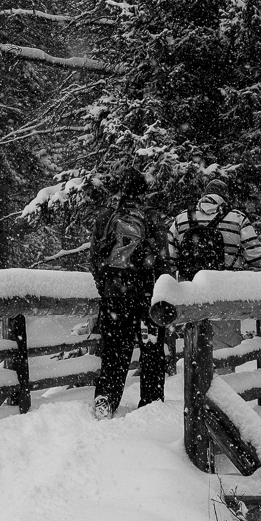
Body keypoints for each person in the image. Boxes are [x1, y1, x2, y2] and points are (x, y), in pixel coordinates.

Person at [88, 167, 172, 420]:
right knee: (152, 350)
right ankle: (151, 403)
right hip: (146, 294)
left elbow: (93, 259)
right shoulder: (152, 217)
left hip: (115, 294)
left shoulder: (106, 217)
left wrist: (106, 287)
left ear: (121, 190)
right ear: (144, 191)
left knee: (114, 350)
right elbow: (164, 260)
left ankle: (106, 399)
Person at [167, 178, 261, 280]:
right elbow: (254, 253)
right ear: (225, 197)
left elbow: (169, 252)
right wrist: (254, 271)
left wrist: (176, 274)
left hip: (191, 285)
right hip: (226, 283)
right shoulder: (238, 218)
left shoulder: (182, 217)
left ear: (204, 194)